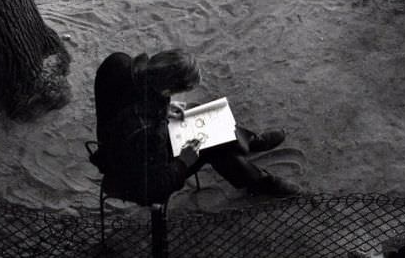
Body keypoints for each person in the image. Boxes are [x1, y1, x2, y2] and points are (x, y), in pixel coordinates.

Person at [92, 50, 300, 204]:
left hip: (120, 141)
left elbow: (118, 105)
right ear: (166, 89)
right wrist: (184, 161)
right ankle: (258, 179)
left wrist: (165, 109)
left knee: (198, 113)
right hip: (131, 173)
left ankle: (248, 143)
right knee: (209, 146)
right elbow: (153, 190)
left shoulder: (119, 64)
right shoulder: (147, 132)